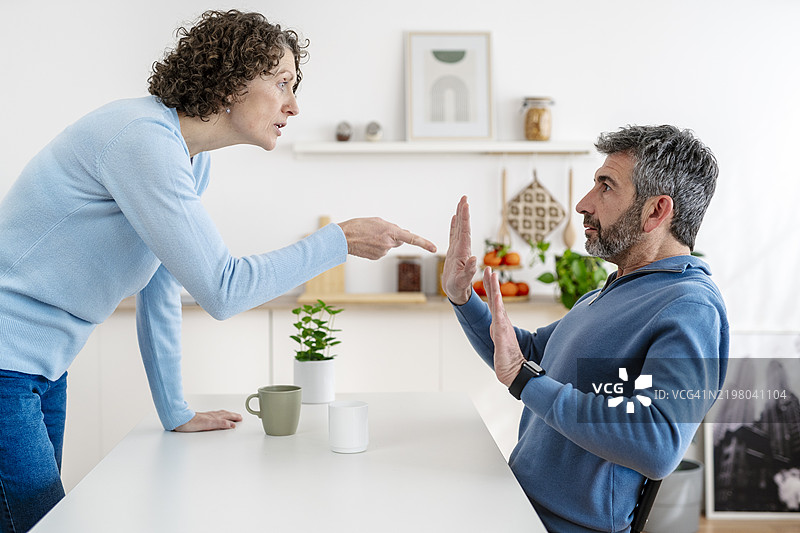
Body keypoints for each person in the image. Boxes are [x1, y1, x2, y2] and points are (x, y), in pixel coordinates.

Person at [0, 10, 436, 533]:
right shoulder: (141, 139)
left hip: (42, 369)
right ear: (231, 81)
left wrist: (175, 410)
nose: (294, 105)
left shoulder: (189, 158)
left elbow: (160, 284)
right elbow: (223, 289)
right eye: (282, 83)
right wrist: (338, 240)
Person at [442, 125, 728, 532]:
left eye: (606, 186)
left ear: (656, 212)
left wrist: (524, 379)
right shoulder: (609, 291)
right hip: (517, 506)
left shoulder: (690, 308)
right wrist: (462, 298)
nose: (583, 204)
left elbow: (658, 443)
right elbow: (525, 357)